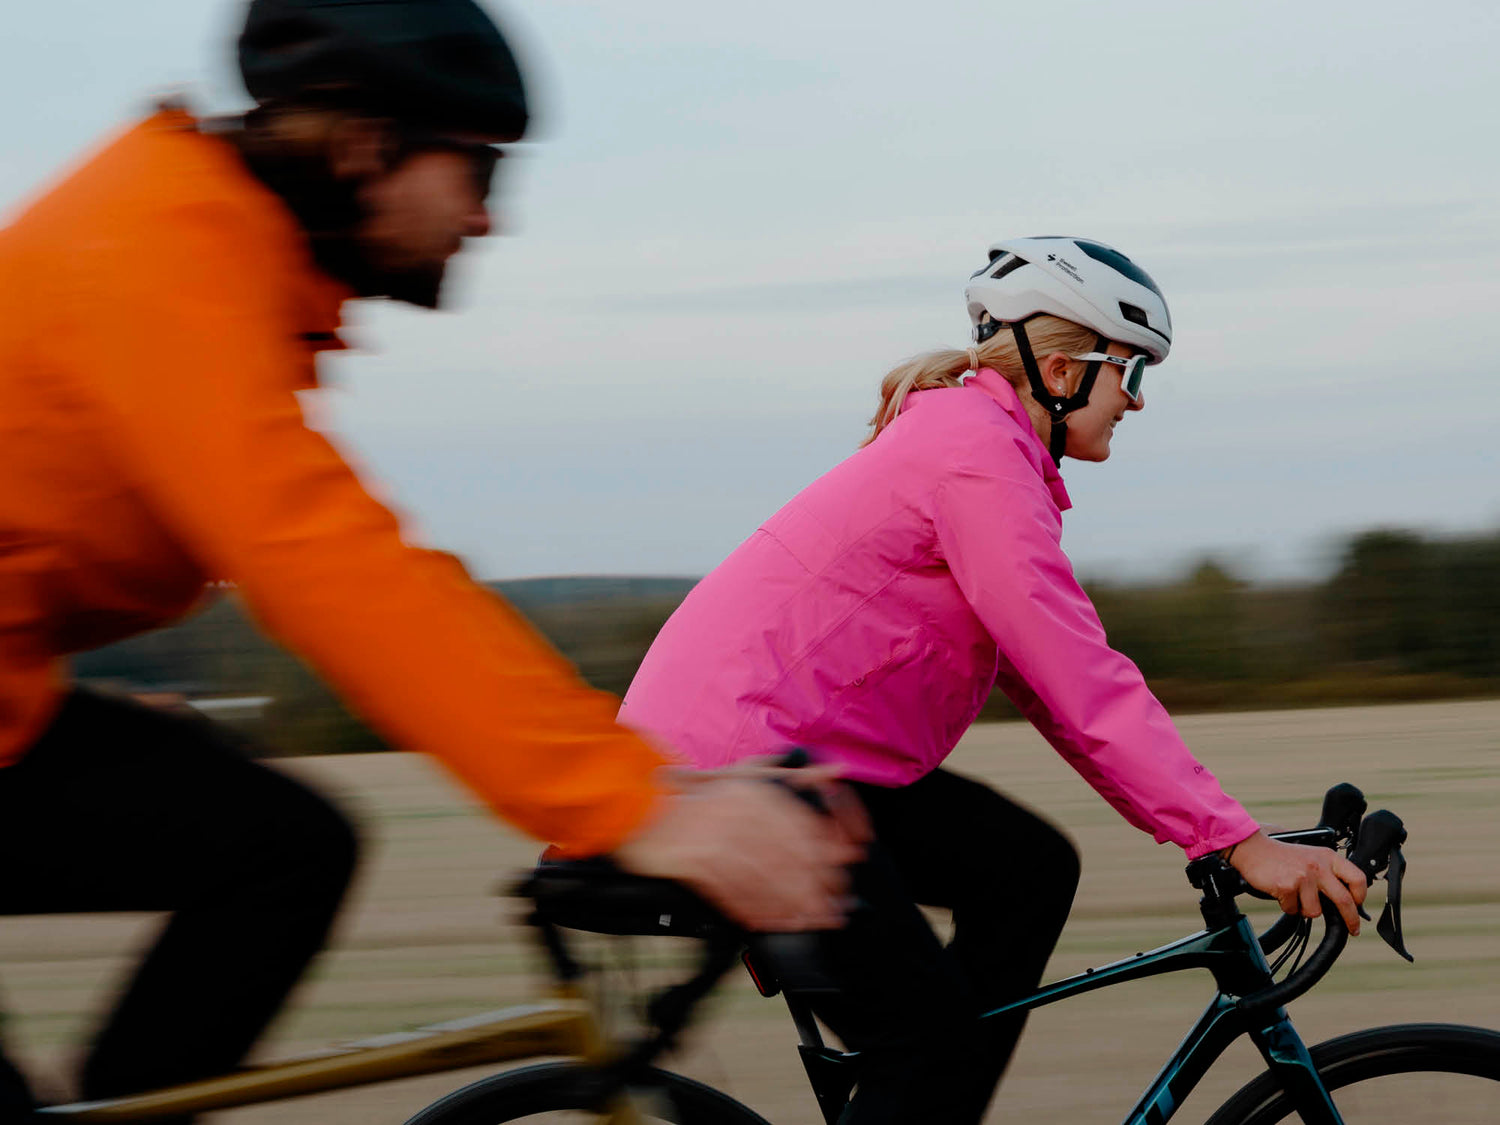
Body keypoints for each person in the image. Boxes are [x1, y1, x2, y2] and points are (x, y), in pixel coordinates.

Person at [0, 0, 861, 1116]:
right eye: (479, 173)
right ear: (368, 146)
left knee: (284, 848)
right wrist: (630, 804)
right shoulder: (159, 249)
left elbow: (334, 543)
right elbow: (319, 552)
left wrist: (632, 774)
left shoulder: (218, 253)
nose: (488, 221)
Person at [619, 236, 1370, 1124]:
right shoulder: (975, 459)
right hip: (736, 784)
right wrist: (1235, 841)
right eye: (1130, 373)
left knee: (1025, 869)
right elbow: (1079, 674)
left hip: (774, 774)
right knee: (935, 1043)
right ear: (1061, 368)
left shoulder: (972, 447)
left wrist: (1219, 832)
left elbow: (1057, 692)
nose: (1134, 402)